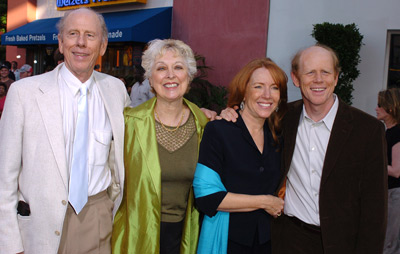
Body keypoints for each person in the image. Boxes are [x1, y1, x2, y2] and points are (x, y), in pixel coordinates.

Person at [221, 44, 387, 254]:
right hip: (288, 240)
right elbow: (249, 117)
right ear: (296, 78)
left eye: (325, 72)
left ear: (336, 78)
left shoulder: (368, 130)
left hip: (342, 243)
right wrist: (227, 113)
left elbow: (375, 208)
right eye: (310, 72)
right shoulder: (281, 118)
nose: (318, 79)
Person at [0, 7, 130, 254]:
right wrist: (9, 243)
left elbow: (141, 129)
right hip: (39, 224)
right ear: (60, 42)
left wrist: (204, 114)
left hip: (98, 218)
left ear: (102, 46)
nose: (81, 43)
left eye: (90, 36)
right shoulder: (24, 93)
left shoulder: (116, 91)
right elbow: (4, 175)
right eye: (73, 34)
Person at [112, 39, 209, 254]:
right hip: (136, 235)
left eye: (178, 67)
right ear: (150, 77)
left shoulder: (204, 125)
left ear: (189, 76)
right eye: (161, 68)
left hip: (187, 236)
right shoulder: (129, 123)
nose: (170, 75)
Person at [193, 58, 286, 254]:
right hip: (228, 241)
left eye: (274, 88)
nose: (267, 95)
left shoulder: (278, 136)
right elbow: (207, 197)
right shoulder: (218, 130)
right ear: (244, 91)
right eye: (258, 86)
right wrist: (264, 201)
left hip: (268, 241)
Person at [376, 88, 400, 254]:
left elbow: (396, 170)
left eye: (380, 105)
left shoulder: (397, 133)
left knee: (389, 243)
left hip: (395, 194)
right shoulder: (388, 132)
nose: (376, 108)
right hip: (390, 193)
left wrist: (373, 165)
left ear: (390, 108)